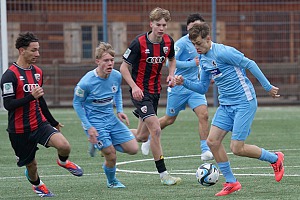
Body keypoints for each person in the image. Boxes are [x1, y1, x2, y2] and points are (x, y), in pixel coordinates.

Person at [175, 23, 284, 196]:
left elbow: (250, 64)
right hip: (225, 105)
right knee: (212, 142)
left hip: (244, 102)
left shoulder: (224, 52)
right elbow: (203, 87)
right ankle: (231, 182)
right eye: (194, 44)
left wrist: (267, 86)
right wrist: (184, 82)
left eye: (199, 43)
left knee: (237, 148)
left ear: (208, 39)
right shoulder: (202, 59)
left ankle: (275, 158)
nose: (196, 47)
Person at [0, 32, 83, 198]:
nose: (37, 54)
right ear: (22, 50)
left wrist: (53, 121)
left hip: (39, 123)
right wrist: (30, 96)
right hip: (19, 130)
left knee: (64, 145)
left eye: (38, 50)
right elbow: (8, 105)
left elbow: (40, 100)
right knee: (32, 167)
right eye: (33, 50)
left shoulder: (37, 72)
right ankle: (38, 186)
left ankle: (63, 161)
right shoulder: (9, 76)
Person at [120, 7, 181, 185]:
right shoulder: (138, 43)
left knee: (141, 136)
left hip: (155, 92)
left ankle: (108, 136)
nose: (161, 28)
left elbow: (172, 59)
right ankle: (164, 175)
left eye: (164, 25)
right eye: (158, 24)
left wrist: (171, 74)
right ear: (151, 24)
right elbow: (123, 68)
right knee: (156, 129)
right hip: (140, 93)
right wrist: (134, 87)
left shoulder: (168, 42)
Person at [140, 13, 214, 162]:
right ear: (187, 27)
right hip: (178, 87)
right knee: (169, 119)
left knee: (204, 114)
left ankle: (205, 150)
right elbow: (169, 63)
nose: (196, 29)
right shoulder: (180, 44)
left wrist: (208, 76)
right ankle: (148, 135)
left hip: (193, 86)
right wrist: (192, 63)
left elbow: (205, 62)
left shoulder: (203, 43)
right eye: (194, 27)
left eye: (199, 27)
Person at [73, 41, 138, 188]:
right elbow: (77, 103)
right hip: (94, 123)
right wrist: (88, 127)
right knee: (111, 154)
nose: (110, 63)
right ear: (97, 61)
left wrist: (120, 110)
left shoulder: (116, 76)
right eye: (106, 60)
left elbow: (118, 91)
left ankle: (99, 144)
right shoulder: (86, 82)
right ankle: (112, 181)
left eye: (112, 60)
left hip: (111, 118)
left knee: (133, 149)